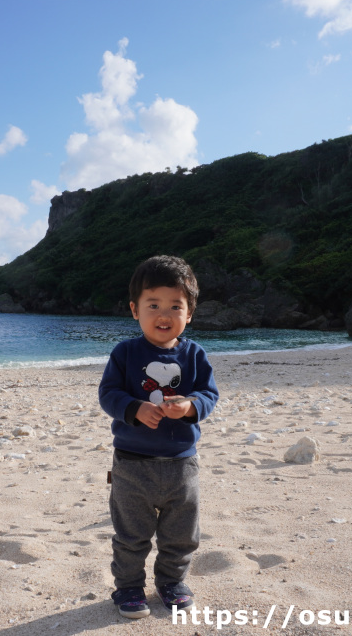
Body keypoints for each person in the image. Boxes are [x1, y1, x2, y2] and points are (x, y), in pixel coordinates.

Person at [98, 255, 219, 619]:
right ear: (135, 310)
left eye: (175, 306)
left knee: (181, 534)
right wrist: (134, 408)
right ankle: (129, 587)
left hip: (183, 463)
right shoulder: (125, 352)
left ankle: (171, 582)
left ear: (190, 312)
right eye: (153, 305)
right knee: (130, 535)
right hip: (132, 464)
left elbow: (210, 395)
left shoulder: (194, 354)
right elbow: (108, 394)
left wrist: (191, 405)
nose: (163, 314)